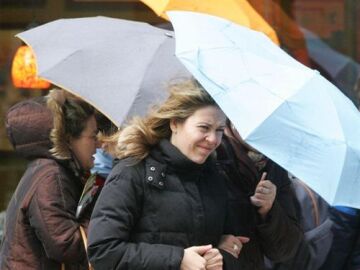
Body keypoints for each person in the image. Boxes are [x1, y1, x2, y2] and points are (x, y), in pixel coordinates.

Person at [87, 79, 236, 270]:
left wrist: (220, 255)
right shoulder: (132, 171)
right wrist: (177, 259)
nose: (213, 139)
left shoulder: (213, 175)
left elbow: (223, 241)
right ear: (175, 123)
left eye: (220, 130)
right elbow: (103, 251)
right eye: (204, 128)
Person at [0, 89, 99, 270]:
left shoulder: (49, 169)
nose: (98, 144)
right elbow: (67, 246)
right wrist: (108, 217)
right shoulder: (51, 176)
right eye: (93, 136)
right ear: (69, 140)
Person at [216, 122, 304, 269]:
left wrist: (268, 209)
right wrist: (214, 242)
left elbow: (285, 250)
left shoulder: (274, 164)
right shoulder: (210, 152)